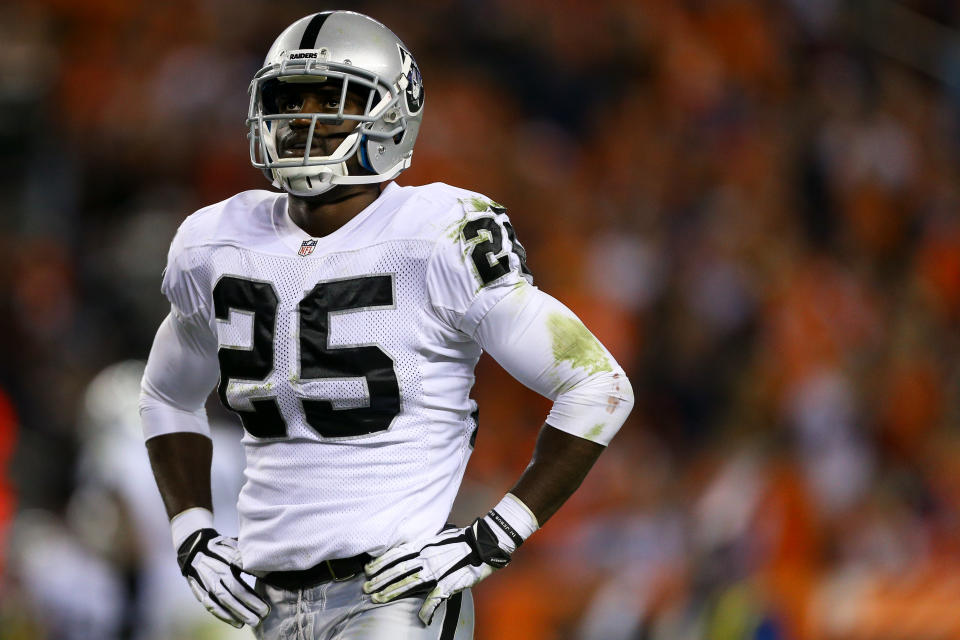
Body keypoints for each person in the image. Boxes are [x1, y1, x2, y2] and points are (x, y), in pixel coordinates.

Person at [139, 10, 633, 640]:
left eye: (331, 101)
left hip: (394, 597)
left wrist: (494, 536)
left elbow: (599, 387)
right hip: (265, 606)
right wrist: (191, 531)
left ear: (391, 116)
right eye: (289, 100)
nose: (301, 121)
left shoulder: (438, 232)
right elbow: (165, 394)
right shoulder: (215, 241)